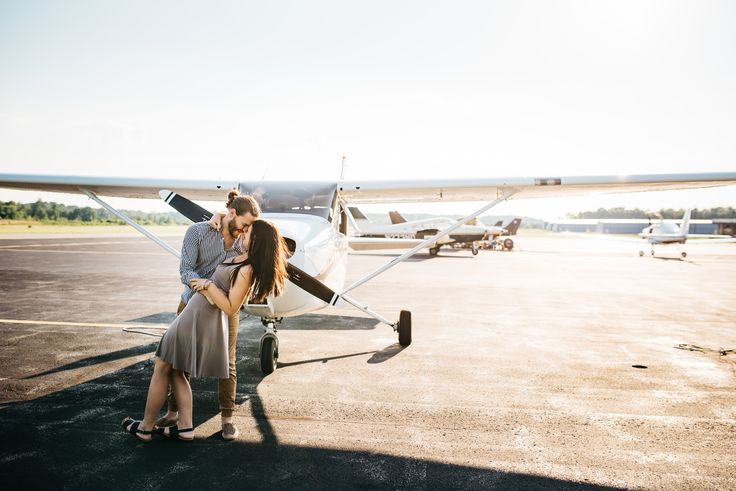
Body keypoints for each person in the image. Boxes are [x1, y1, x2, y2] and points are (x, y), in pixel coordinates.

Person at [122, 219, 289, 442]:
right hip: (196, 311)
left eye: (248, 231)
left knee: (162, 363)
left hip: (198, 317)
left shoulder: (247, 269)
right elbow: (227, 231)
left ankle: (145, 427)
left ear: (257, 240)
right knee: (176, 369)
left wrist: (208, 285)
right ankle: (185, 427)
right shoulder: (241, 256)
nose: (243, 233)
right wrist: (219, 217)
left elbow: (231, 307)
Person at [158, 190, 259, 441]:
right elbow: (185, 270)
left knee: (229, 363)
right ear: (232, 213)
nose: (246, 230)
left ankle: (227, 419)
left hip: (226, 309)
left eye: (249, 227)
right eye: (245, 224)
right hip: (191, 304)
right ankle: (173, 413)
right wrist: (205, 287)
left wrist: (216, 294)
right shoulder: (197, 232)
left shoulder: (243, 240)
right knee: (179, 361)